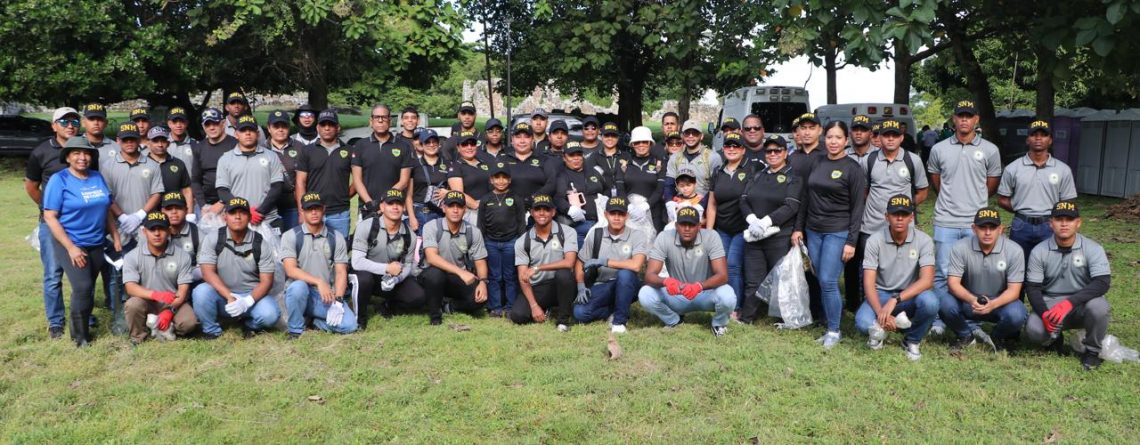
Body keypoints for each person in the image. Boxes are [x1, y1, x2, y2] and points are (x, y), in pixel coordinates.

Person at [927, 100, 1002, 336]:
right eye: (960, 116)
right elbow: (936, 181)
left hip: (976, 222)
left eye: (969, 116)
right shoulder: (939, 149)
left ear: (976, 119)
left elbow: (991, 185)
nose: (964, 120)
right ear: (954, 119)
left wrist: (974, 200)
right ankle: (939, 319)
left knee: (972, 274)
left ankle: (971, 319)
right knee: (942, 272)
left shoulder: (990, 150)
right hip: (946, 220)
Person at [793, 120, 866, 349]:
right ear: (824, 138)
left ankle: (834, 330)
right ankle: (828, 320)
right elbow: (806, 197)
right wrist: (799, 227)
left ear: (846, 140)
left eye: (838, 137)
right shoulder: (817, 161)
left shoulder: (853, 168)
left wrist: (851, 241)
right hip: (813, 230)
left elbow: (858, 208)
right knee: (818, 276)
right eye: (830, 137)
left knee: (828, 280)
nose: (833, 142)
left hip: (838, 231)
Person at [43, 137, 120, 346]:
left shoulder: (97, 177)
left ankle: (83, 324)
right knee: (83, 287)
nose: (82, 157)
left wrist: (115, 235)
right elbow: (50, 216)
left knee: (88, 288)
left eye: (86, 153)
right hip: (70, 243)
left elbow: (106, 208)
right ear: (67, 157)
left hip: (96, 242)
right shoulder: (59, 180)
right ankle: (80, 338)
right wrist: (71, 248)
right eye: (76, 153)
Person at [847, 119, 928, 312]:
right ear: (879, 137)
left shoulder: (912, 160)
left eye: (894, 135)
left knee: (903, 267)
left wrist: (905, 210)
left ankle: (902, 307)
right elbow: (864, 191)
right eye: (886, 135)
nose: (890, 139)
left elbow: (923, 191)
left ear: (901, 137)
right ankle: (868, 307)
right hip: (872, 226)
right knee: (867, 269)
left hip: (903, 227)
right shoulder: (869, 160)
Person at [1025, 201, 1113, 371]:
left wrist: (1069, 303)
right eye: (1059, 219)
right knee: (1033, 329)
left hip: (1082, 303)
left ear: (1078, 223)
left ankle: (1092, 351)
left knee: (1100, 307)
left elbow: (1102, 282)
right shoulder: (1039, 251)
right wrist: (1044, 313)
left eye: (1069, 219)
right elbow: (1033, 287)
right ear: (1051, 223)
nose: (1064, 224)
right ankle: (1054, 339)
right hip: (1052, 304)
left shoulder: (1093, 248)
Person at [854, 195, 938, 361]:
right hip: (881, 294)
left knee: (931, 302)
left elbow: (927, 280)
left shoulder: (924, 240)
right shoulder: (874, 241)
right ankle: (887, 326)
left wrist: (895, 299)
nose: (900, 218)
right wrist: (881, 313)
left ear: (911, 217)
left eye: (904, 214)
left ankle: (911, 340)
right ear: (887, 217)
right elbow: (869, 283)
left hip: (908, 295)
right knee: (862, 323)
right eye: (895, 214)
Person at [103, 122, 164, 335]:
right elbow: (107, 196)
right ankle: (119, 317)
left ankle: (147, 314)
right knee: (117, 273)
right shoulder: (108, 165)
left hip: (145, 225)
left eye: (133, 139)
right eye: (125, 139)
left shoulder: (152, 165)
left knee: (146, 270)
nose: (129, 143)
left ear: (139, 141)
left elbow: (156, 193)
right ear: (118, 141)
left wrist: (140, 215)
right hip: (117, 226)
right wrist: (121, 215)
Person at [25, 107, 80, 338]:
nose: (70, 125)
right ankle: (55, 321)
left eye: (74, 121)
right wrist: (47, 208)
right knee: (52, 274)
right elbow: (31, 186)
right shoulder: (41, 152)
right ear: (54, 125)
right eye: (64, 121)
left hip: (78, 222)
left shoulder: (83, 149)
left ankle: (82, 314)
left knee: (80, 273)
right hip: (52, 224)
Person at [940, 208, 1027, 354]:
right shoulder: (960, 247)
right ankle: (965, 336)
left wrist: (993, 304)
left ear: (1000, 229)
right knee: (944, 303)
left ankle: (997, 337)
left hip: (1000, 302)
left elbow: (1014, 291)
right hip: (969, 301)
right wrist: (972, 299)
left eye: (992, 228)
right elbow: (953, 283)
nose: (987, 232)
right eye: (982, 227)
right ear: (974, 229)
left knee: (1018, 314)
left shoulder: (1014, 250)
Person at [191, 197, 280, 339]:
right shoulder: (213, 238)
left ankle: (250, 325)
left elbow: (267, 281)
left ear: (249, 217)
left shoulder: (260, 242)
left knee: (271, 315)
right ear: (225, 217)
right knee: (201, 292)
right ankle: (211, 330)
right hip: (222, 295)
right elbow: (207, 272)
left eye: (242, 213)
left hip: (251, 295)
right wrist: (229, 295)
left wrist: (247, 302)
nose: (237, 217)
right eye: (233, 213)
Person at [638, 206, 735, 336]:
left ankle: (719, 324)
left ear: (699, 226)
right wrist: (666, 281)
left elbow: (723, 276)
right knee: (645, 293)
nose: (687, 229)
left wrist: (699, 286)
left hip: (705, 292)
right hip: (678, 292)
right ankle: (674, 321)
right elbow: (649, 275)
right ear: (676, 226)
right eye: (683, 224)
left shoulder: (711, 236)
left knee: (728, 295)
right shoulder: (664, 237)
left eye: (692, 225)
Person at [737, 135, 803, 324]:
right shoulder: (757, 174)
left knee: (781, 279)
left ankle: (785, 318)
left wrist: (766, 222)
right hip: (754, 236)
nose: (773, 154)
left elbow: (791, 206)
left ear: (785, 153)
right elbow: (743, 200)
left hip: (779, 236)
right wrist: (752, 220)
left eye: (777, 150)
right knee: (753, 280)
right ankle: (747, 317)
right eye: (769, 151)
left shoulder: (794, 177)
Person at [997, 119, 1077, 258]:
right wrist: (1020, 208)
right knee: (1018, 264)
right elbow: (1002, 199)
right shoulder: (1013, 168)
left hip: (1049, 224)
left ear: (1050, 140)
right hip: (1021, 225)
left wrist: (1056, 218)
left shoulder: (1063, 170)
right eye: (1034, 135)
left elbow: (1068, 202)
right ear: (1027, 139)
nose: (1038, 138)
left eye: (1043, 135)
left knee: (1050, 264)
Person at [281, 193, 357, 339]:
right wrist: (318, 281)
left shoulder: (336, 237)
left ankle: (315, 322)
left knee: (350, 325)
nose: (314, 212)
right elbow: (290, 269)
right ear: (302, 211)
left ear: (324, 209)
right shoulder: (290, 236)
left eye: (317, 208)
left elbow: (341, 272)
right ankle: (295, 330)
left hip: (325, 295)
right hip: (299, 292)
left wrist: (338, 301)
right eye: (309, 209)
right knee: (298, 288)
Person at [573, 196, 649, 333]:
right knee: (580, 312)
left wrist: (605, 261)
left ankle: (619, 322)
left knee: (625, 274)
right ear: (605, 214)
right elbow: (580, 262)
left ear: (627, 216)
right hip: (603, 285)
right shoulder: (596, 234)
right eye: (613, 213)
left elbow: (636, 265)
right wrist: (580, 285)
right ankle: (616, 309)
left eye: (621, 214)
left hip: (628, 284)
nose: (617, 218)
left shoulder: (637, 235)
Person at [123, 212, 198, 344]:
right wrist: (156, 295)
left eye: (161, 229)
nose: (157, 234)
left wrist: (170, 310)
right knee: (132, 304)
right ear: (144, 232)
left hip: (173, 302)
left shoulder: (183, 256)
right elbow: (130, 287)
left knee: (189, 323)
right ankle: (138, 336)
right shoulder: (132, 256)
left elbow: (182, 291)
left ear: (169, 231)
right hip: (146, 301)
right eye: (152, 229)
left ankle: (167, 326)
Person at [351, 189, 421, 327]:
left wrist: (397, 279)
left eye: (399, 203)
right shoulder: (366, 226)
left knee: (418, 296)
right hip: (366, 274)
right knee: (364, 279)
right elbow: (357, 262)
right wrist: (387, 268)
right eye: (390, 203)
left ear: (404, 208)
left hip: (390, 278)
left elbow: (407, 265)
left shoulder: (410, 235)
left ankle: (388, 306)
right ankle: (360, 318)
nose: (395, 207)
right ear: (382, 207)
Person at [421, 191, 490, 325]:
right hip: (431, 275)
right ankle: (435, 316)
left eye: (459, 206)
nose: (455, 210)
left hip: (455, 278)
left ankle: (449, 306)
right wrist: (461, 272)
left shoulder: (473, 231)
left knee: (480, 298)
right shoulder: (432, 226)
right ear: (443, 208)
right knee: (435, 275)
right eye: (451, 206)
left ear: (465, 209)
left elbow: (480, 261)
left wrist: (483, 282)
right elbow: (431, 258)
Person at [511, 194, 577, 331]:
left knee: (564, 275)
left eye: (546, 209)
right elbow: (523, 277)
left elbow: (569, 262)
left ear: (553, 212)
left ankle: (563, 320)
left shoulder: (567, 232)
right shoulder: (522, 241)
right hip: (538, 286)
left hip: (562, 284)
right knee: (518, 316)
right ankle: (546, 308)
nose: (542, 213)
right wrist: (534, 306)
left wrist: (537, 268)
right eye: (537, 209)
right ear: (531, 212)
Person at [213, 115, 286, 231]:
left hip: (267, 218)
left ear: (257, 134)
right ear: (236, 134)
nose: (247, 133)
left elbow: (277, 187)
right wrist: (244, 210)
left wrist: (260, 211)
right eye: (243, 130)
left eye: (251, 130)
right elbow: (223, 190)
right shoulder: (225, 159)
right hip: (238, 219)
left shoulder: (271, 156)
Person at [705, 132, 751, 304]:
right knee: (720, 267)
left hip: (742, 228)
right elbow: (712, 204)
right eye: (728, 146)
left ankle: (735, 306)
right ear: (723, 148)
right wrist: (709, 232)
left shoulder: (752, 169)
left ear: (743, 150)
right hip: (723, 228)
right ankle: (722, 301)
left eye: (736, 146)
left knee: (733, 265)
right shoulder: (718, 172)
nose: (732, 149)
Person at [295, 110, 354, 237]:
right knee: (312, 248)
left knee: (339, 248)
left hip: (340, 213)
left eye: (331, 124)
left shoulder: (349, 151)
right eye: (323, 125)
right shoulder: (307, 151)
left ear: (338, 127)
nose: (327, 128)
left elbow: (358, 179)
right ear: (317, 127)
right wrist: (302, 211)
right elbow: (300, 182)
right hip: (313, 211)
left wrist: (345, 195)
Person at [478, 163, 526, 317]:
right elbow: (481, 223)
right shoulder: (485, 199)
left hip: (511, 242)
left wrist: (521, 242)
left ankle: (510, 306)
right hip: (490, 242)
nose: (501, 181)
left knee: (510, 275)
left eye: (504, 177)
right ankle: (495, 307)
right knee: (494, 275)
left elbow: (521, 222)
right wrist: (482, 242)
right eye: (497, 178)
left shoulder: (516, 198)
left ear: (510, 180)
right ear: (491, 180)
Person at [352, 104, 416, 217]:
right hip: (366, 207)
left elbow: (404, 181)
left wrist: (385, 201)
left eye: (384, 117)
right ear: (371, 121)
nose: (380, 120)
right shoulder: (360, 145)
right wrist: (370, 203)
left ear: (390, 121)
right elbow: (357, 180)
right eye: (377, 117)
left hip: (393, 206)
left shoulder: (403, 146)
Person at [553, 144, 605, 247]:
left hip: (600, 222)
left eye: (579, 155)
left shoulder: (593, 171)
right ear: (564, 158)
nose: (576, 158)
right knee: (580, 255)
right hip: (578, 226)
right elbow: (557, 197)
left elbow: (607, 189)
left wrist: (606, 201)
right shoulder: (561, 175)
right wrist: (569, 209)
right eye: (572, 155)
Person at [191, 108, 238, 218]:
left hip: (231, 200)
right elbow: (195, 180)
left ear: (223, 123)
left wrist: (223, 202)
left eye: (215, 123)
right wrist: (203, 205)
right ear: (203, 126)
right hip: (206, 204)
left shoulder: (235, 145)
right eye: (207, 124)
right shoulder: (199, 147)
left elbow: (240, 179)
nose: (211, 127)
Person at [620, 126, 666, 231]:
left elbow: (660, 189)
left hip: (653, 214)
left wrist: (646, 205)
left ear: (650, 143)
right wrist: (629, 206)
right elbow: (620, 189)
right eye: (637, 142)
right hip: (630, 213)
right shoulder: (625, 163)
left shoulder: (658, 163)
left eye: (645, 142)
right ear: (632, 144)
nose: (641, 145)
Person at [264, 110, 303, 231]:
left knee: (294, 240)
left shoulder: (301, 148)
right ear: (269, 128)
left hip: (293, 207)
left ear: (289, 127)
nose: (280, 130)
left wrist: (302, 210)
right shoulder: (261, 149)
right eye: (276, 126)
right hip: (269, 209)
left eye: (284, 126)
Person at [665, 120, 722, 201]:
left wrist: (701, 204)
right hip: (680, 204)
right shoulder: (675, 158)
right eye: (687, 133)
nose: (690, 136)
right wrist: (669, 202)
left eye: (695, 133)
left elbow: (717, 187)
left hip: (704, 204)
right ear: (682, 136)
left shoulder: (713, 157)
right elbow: (669, 184)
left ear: (701, 136)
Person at [448, 130, 495, 224]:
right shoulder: (456, 167)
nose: (469, 147)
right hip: (471, 211)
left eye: (472, 144)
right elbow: (459, 194)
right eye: (465, 144)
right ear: (458, 148)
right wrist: (477, 205)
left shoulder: (484, 163)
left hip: (491, 208)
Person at [409, 129, 450, 233]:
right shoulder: (414, 164)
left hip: (442, 210)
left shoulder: (448, 163)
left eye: (434, 142)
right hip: (421, 211)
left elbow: (456, 189)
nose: (431, 145)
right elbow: (408, 195)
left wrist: (448, 192)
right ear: (422, 145)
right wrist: (412, 217)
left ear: (439, 144)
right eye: (427, 142)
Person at [145, 126, 194, 214]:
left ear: (168, 143)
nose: (160, 144)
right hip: (148, 214)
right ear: (148, 143)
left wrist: (190, 213)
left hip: (173, 213)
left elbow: (186, 190)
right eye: (155, 141)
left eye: (163, 141)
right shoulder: (142, 164)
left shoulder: (178, 163)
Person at [159, 192, 202, 283]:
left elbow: (203, 269)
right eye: (169, 209)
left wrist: (181, 277)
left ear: (186, 210)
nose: (174, 212)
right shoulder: (154, 233)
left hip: (191, 279)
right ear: (162, 211)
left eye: (178, 208)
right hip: (161, 280)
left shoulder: (199, 234)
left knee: (203, 290)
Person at [503, 122, 551, 198]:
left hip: (537, 203)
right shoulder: (503, 160)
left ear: (532, 139)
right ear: (512, 140)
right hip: (509, 203)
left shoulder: (544, 160)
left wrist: (534, 197)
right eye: (518, 137)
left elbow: (551, 184)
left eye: (526, 137)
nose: (522, 141)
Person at [587, 122, 628, 196]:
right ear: (601, 137)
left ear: (618, 138)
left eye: (613, 136)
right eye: (606, 135)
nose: (610, 138)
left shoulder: (627, 156)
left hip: (624, 197)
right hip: (602, 197)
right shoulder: (593, 157)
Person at [787, 113, 824, 179]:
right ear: (798, 131)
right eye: (803, 128)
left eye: (812, 128)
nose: (807, 133)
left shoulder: (828, 154)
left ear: (820, 130)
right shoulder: (791, 158)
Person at [166, 107, 198, 178]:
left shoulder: (195, 145)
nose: (178, 125)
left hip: (190, 184)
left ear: (187, 123)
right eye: (175, 122)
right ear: (169, 124)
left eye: (182, 121)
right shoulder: (162, 144)